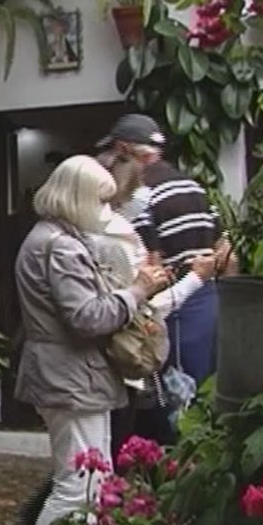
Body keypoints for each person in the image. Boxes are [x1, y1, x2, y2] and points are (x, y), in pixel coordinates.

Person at [13, 155, 170, 525]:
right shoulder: (58, 246)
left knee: (91, 480)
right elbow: (87, 317)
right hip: (69, 377)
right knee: (75, 487)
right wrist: (136, 291)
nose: (105, 211)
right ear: (77, 198)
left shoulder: (53, 237)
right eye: (99, 202)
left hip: (72, 377)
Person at [99, 114, 224, 387]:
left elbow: (151, 259)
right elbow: (224, 248)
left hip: (172, 307)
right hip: (208, 300)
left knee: (167, 398)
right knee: (201, 395)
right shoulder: (193, 186)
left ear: (123, 149)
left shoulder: (139, 195)